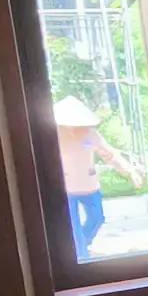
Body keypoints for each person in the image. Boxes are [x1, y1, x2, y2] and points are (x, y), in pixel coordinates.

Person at [53, 96, 142, 261]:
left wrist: (130, 171)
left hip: (89, 186)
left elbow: (110, 154)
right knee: (73, 227)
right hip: (66, 189)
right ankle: (82, 257)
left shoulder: (92, 135)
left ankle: (83, 244)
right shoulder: (54, 137)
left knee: (97, 218)